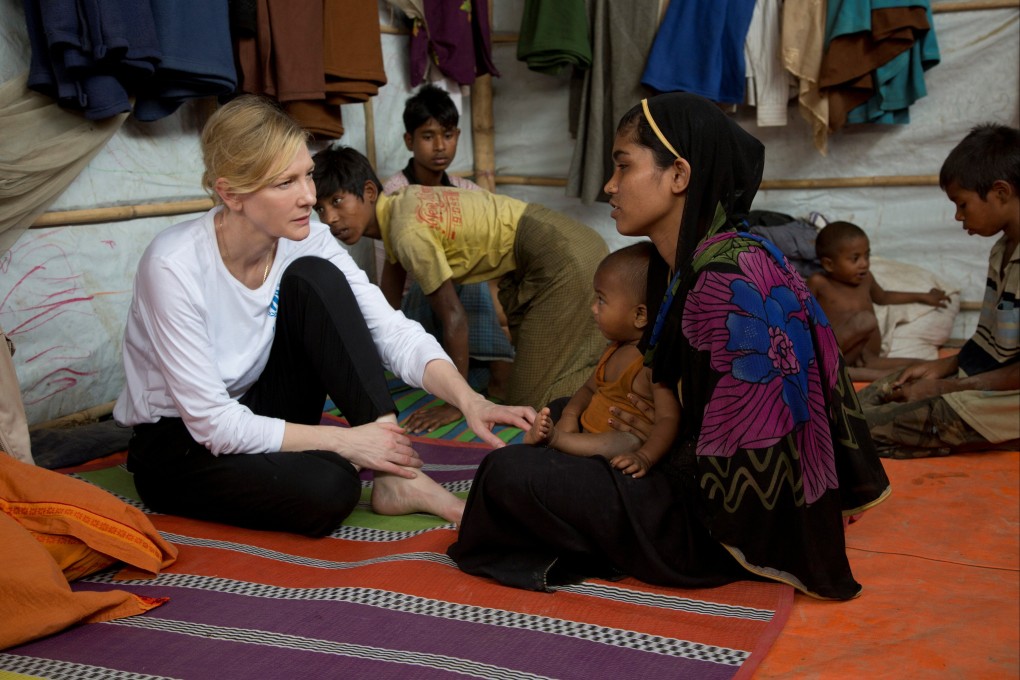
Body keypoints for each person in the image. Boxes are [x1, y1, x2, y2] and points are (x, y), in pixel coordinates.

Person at [447, 92, 891, 601]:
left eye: (622, 167)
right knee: (558, 410)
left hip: (711, 527)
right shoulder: (701, 263)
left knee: (508, 473)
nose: (609, 186)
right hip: (682, 470)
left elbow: (743, 457)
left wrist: (657, 444)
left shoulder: (723, 283)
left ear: (679, 175)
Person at [113, 95, 534, 537]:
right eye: (285, 183)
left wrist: (469, 399)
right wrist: (344, 441)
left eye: (308, 175)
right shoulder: (173, 266)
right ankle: (375, 457)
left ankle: (396, 475)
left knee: (317, 277)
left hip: (256, 402)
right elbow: (213, 424)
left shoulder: (306, 238)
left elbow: (388, 329)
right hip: (181, 442)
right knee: (331, 487)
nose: (309, 197)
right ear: (230, 193)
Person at [312, 146, 609, 414]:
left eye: (337, 201)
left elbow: (455, 319)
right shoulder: (399, 206)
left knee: (529, 405)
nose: (329, 218)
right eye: (320, 208)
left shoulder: (406, 233)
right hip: (555, 241)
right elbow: (386, 311)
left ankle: (608, 407)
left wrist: (457, 403)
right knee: (548, 369)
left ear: (369, 191)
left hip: (561, 251)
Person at [858, 123, 1020, 458]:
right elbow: (991, 345)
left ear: (1001, 192)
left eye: (962, 204)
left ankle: (994, 435)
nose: (958, 216)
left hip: (1006, 401)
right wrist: (941, 367)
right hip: (987, 382)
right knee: (864, 399)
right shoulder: (1002, 251)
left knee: (855, 433)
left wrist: (946, 387)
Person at [382, 84, 514, 428]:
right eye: (428, 136)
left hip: (462, 312)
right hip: (420, 305)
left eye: (448, 134)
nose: (440, 146)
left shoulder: (467, 191)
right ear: (409, 140)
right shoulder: (395, 193)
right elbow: (392, 276)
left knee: (473, 280)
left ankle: (490, 369)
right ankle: (493, 373)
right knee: (461, 279)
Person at [524, 242, 680, 479]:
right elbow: (587, 389)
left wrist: (644, 457)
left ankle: (556, 440)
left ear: (639, 315)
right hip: (584, 432)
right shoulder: (614, 349)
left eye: (601, 300)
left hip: (615, 449)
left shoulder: (650, 364)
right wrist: (569, 416)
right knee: (558, 405)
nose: (593, 308)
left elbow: (668, 419)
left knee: (626, 442)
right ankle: (553, 441)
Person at [807, 220, 950, 380]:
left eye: (867, 255)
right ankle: (827, 369)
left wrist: (923, 296)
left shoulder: (866, 279)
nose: (864, 264)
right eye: (855, 259)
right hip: (832, 356)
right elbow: (799, 317)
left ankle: (847, 373)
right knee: (865, 321)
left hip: (867, 359)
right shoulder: (819, 283)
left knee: (924, 365)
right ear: (829, 264)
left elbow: (883, 297)